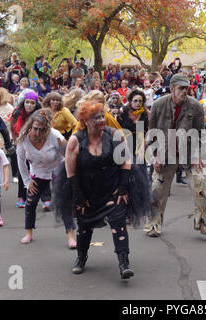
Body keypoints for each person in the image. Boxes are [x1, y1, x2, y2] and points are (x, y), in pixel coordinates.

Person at [63, 101, 136, 279]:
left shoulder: (114, 135)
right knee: (84, 226)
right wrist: (78, 196)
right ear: (85, 121)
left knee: (118, 222)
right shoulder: (76, 140)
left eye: (102, 116)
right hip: (87, 191)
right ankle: (81, 257)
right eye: (96, 118)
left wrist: (123, 187)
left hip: (112, 187)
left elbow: (126, 160)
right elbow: (70, 170)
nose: (102, 120)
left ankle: (123, 262)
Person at [144, 73, 206, 237]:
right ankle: (154, 225)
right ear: (172, 88)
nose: (184, 91)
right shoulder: (158, 105)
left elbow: (201, 133)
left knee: (200, 184)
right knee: (157, 189)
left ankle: (202, 222)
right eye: (181, 88)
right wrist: (155, 156)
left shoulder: (195, 106)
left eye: (186, 88)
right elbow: (152, 133)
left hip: (189, 152)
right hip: (165, 152)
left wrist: (198, 156)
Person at [16, 109, 66, 244]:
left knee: (65, 203)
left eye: (42, 130)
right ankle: (29, 233)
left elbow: (67, 155)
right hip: (38, 173)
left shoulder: (55, 136)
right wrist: (27, 181)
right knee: (31, 202)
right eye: (35, 128)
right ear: (30, 126)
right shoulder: (24, 138)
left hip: (56, 170)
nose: (38, 133)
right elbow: (20, 162)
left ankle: (71, 235)